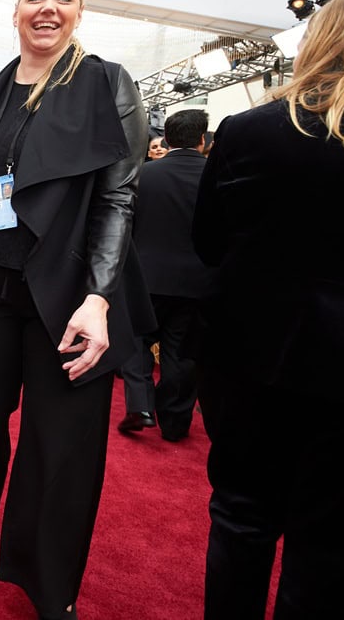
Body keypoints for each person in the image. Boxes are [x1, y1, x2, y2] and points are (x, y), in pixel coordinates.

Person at [0, 0, 151, 620]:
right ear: (16, 9)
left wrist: (101, 294)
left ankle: (51, 589)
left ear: (80, 10)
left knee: (60, 443)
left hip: (65, 292)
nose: (48, 7)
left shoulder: (108, 84)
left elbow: (119, 197)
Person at [195, 0, 344, 619]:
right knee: (334, 549)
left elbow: (209, 241)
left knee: (241, 522)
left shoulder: (248, 130)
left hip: (249, 361)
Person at [117, 109, 214, 440]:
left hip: (145, 277)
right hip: (198, 282)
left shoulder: (144, 174)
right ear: (203, 139)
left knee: (135, 341)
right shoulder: (218, 178)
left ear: (167, 139)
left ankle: (141, 406)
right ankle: (175, 422)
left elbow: (124, 225)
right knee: (181, 352)